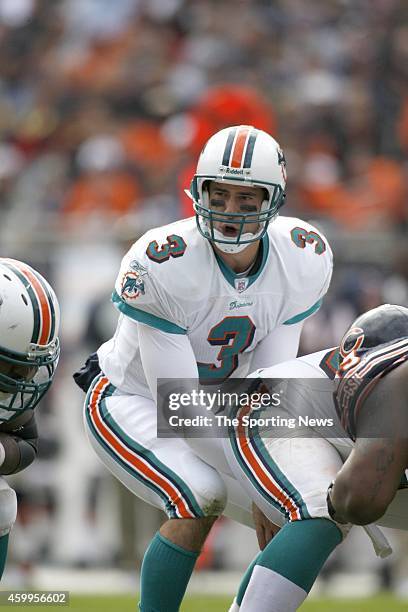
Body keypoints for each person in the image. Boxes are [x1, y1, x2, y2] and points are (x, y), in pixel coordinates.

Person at [79, 125, 333, 612]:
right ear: (198, 191)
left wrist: (275, 479)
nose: (230, 212)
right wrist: (264, 482)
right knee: (200, 495)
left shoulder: (301, 256)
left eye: (246, 199)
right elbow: (179, 407)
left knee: (308, 503)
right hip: (133, 399)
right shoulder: (163, 262)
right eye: (220, 195)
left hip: (223, 403)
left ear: (273, 201)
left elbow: (269, 387)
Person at [221, 303, 408, 612]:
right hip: (273, 404)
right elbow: (359, 501)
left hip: (351, 440)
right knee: (319, 510)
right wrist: (282, 495)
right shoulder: (398, 384)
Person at [0, 258, 60, 579]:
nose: (24, 378)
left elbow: (28, 443)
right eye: (11, 366)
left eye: (28, 366)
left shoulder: (13, 396)